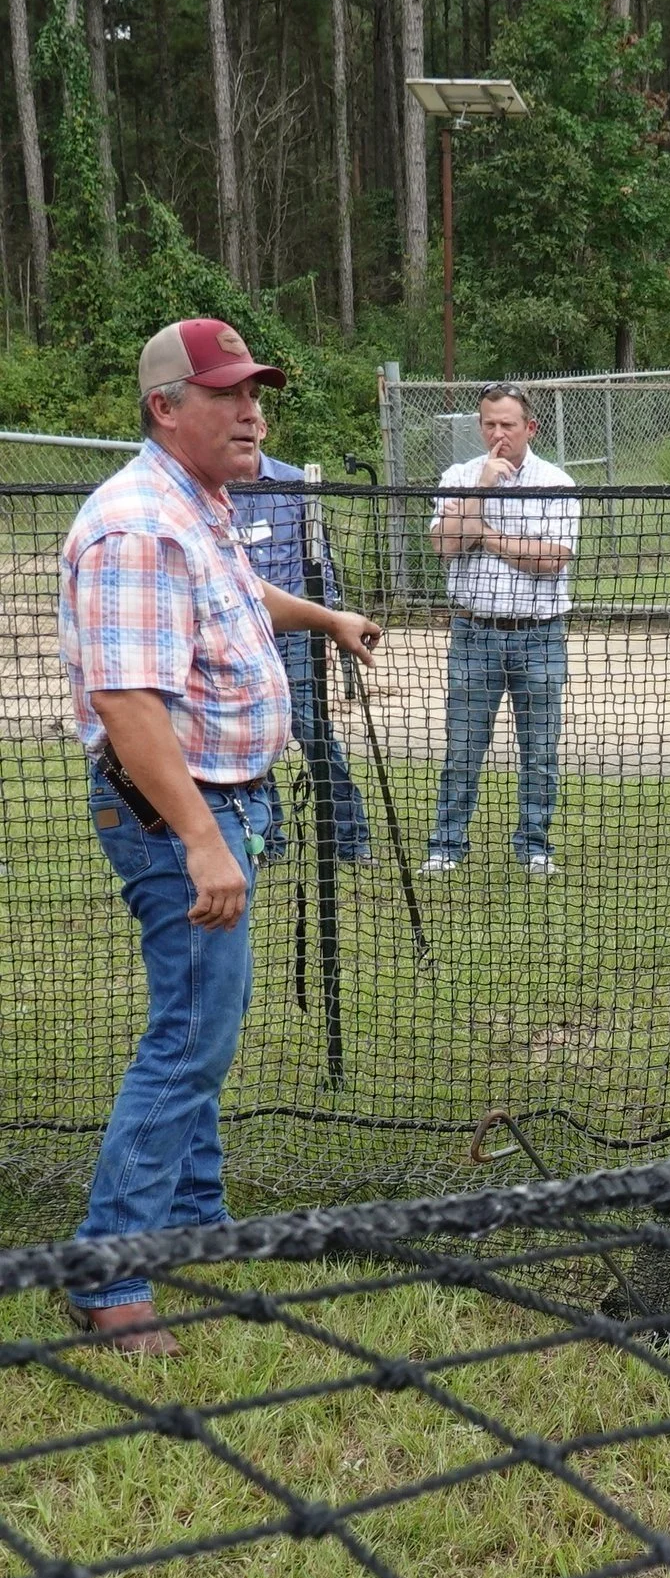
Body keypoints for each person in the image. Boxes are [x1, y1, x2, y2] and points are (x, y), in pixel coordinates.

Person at [58, 318, 381, 1352]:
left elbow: (237, 605)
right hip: (178, 811)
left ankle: (193, 1228)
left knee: (202, 1027)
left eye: (257, 393)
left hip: (223, 801)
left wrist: (323, 619)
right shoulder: (137, 526)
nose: (254, 412)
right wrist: (201, 838)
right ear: (166, 407)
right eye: (230, 394)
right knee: (190, 1039)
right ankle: (106, 1273)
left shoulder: (197, 507)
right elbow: (127, 702)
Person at [422, 383, 581, 879]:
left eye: (507, 424)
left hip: (539, 634)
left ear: (529, 427)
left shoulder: (557, 482)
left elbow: (551, 560)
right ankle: (446, 846)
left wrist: (483, 534)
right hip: (474, 633)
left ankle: (534, 846)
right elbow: (445, 546)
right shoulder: (460, 476)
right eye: (489, 423)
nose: (497, 433)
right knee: (463, 749)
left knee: (540, 750)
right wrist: (481, 490)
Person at [236, 411, 374, 865]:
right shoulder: (211, 489)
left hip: (295, 634)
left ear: (264, 429)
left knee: (312, 731)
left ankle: (350, 839)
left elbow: (322, 566)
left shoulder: (295, 485)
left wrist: (327, 627)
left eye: (253, 421)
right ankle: (266, 842)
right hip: (238, 635)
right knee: (251, 739)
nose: (245, 428)